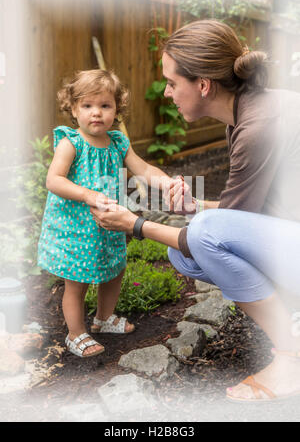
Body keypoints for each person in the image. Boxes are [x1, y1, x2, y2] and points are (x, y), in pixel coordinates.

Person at [91, 20, 300, 401]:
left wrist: (135, 224)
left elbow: (217, 232)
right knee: (186, 250)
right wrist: (197, 206)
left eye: (172, 83)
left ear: (203, 85)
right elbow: (245, 219)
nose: (168, 93)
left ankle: (292, 353)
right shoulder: (247, 113)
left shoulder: (258, 127)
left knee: (199, 236)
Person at [38, 69, 173, 358]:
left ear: (117, 109)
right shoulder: (70, 144)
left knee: (115, 269)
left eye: (105, 105)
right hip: (75, 227)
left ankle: (103, 318)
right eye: (87, 106)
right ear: (73, 109)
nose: (96, 113)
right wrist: (87, 194)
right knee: (77, 281)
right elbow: (54, 180)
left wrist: (167, 183)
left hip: (109, 224)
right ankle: (75, 333)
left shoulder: (118, 143)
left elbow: (144, 169)